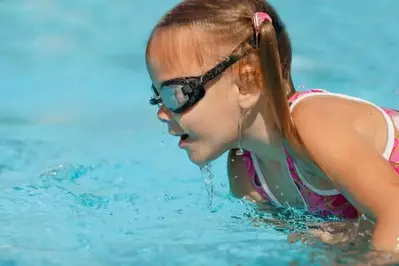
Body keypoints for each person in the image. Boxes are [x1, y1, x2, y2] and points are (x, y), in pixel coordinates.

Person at [145, 0, 399, 252]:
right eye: (157, 97)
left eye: (176, 93)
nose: (162, 113)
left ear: (247, 82)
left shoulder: (311, 122)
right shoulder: (245, 174)